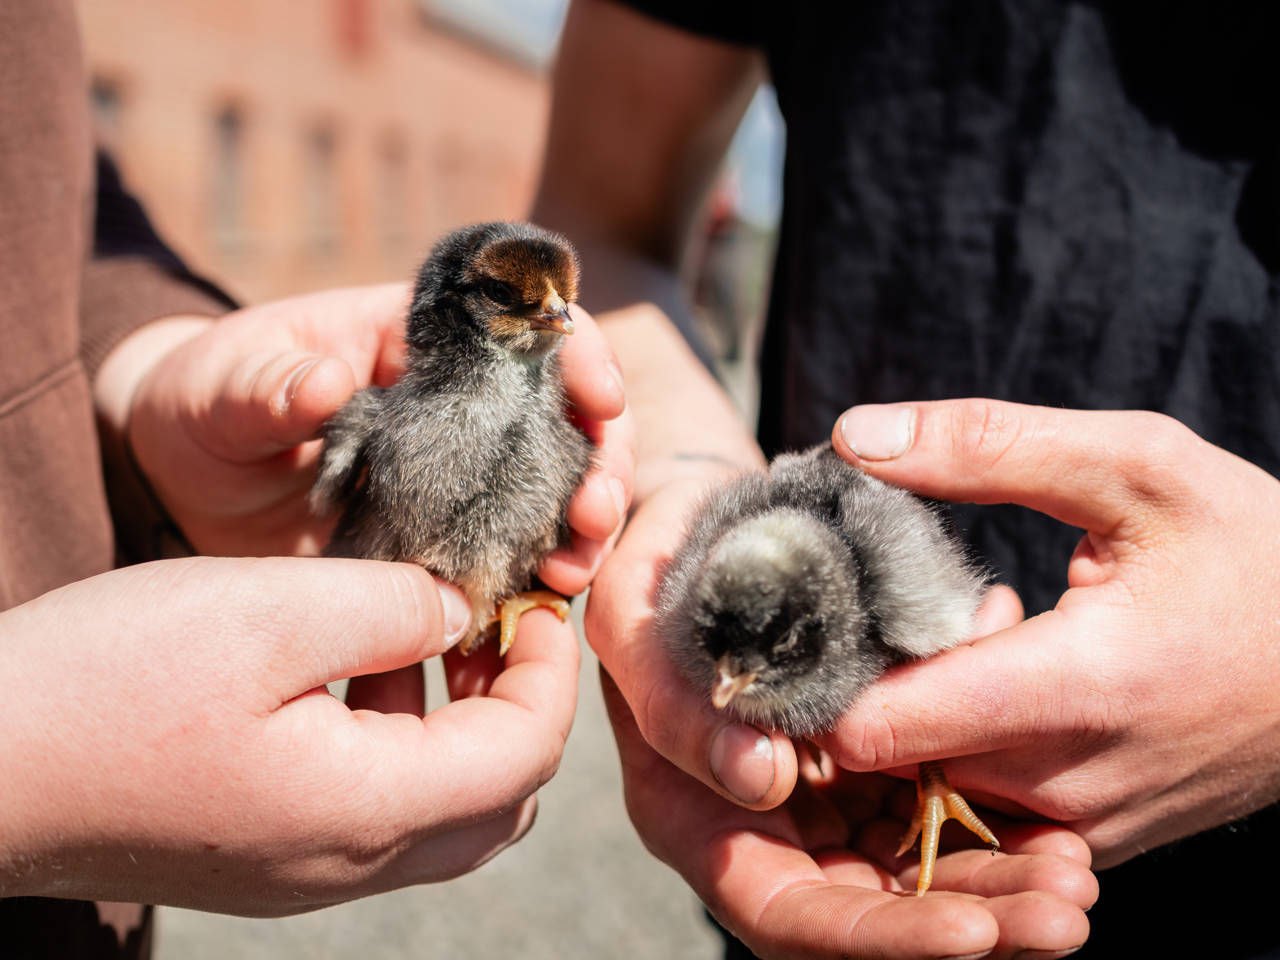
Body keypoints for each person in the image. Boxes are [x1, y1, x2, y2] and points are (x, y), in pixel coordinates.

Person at [533, 1, 1280, 957]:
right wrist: (679, 470)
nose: (724, 686)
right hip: (828, 829)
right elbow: (601, 227)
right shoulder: (738, 614)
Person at [0, 4, 632, 958]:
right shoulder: (386, 424)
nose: (558, 319)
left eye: (562, 303)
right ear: (459, 310)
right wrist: (29, 763)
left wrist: (143, 363)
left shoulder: (548, 419)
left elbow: (53, 194)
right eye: (521, 299)